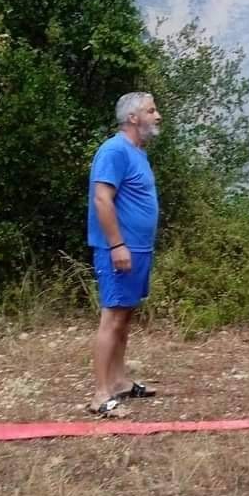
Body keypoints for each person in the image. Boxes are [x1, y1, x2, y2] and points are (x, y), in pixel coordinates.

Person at [86, 92, 162, 416]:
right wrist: (117, 245)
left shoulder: (137, 152)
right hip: (118, 250)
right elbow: (102, 199)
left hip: (139, 250)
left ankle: (118, 382)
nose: (158, 116)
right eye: (151, 110)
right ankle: (100, 396)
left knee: (125, 316)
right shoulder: (114, 151)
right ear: (133, 118)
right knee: (112, 317)